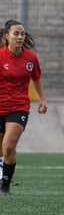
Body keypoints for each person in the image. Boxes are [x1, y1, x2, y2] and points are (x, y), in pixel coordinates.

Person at [0, 20, 47, 195]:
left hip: (18, 107)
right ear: (7, 36)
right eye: (16, 34)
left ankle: (5, 187)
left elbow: (36, 79)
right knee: (0, 148)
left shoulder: (31, 58)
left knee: (9, 147)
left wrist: (42, 100)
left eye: (22, 34)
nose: (20, 37)